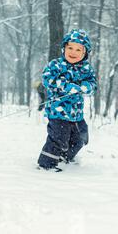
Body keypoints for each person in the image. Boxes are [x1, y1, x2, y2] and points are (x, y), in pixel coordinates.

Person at [37, 29, 97, 172]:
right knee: (58, 138)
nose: (73, 52)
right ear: (64, 48)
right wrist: (66, 86)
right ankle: (47, 164)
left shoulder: (86, 69)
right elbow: (47, 78)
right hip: (58, 112)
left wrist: (84, 87)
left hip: (76, 114)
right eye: (70, 48)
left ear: (85, 53)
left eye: (78, 49)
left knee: (81, 137)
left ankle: (64, 157)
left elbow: (93, 85)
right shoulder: (56, 65)